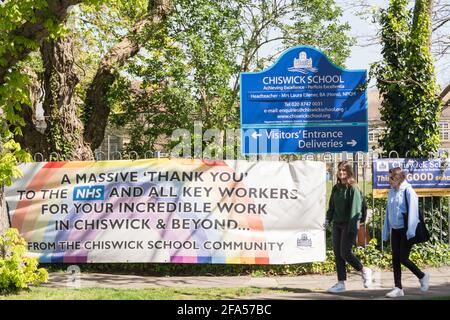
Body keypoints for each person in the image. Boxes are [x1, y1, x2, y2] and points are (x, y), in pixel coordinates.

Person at [326, 161, 372, 293]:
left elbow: (355, 211)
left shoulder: (353, 188)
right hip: (337, 224)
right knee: (338, 254)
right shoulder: (336, 188)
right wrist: (327, 219)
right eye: (339, 170)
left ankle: (364, 270)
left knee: (345, 252)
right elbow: (332, 207)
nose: (341, 172)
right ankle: (341, 283)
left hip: (349, 224)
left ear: (349, 172)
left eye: (344, 170)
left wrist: (353, 230)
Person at [382, 167, 429, 298]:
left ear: (398, 178)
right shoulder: (391, 192)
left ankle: (422, 276)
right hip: (395, 229)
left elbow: (413, 213)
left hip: (406, 230)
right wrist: (386, 230)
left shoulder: (409, 191)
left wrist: (410, 231)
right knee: (395, 259)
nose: (389, 180)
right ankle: (398, 288)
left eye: (391, 178)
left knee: (403, 258)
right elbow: (388, 213)